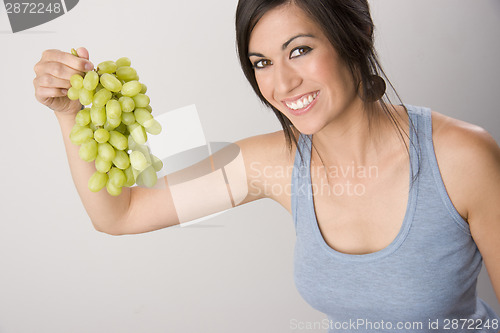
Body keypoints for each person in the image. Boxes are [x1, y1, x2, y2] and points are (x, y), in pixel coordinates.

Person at [33, 0, 500, 331]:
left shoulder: (462, 158)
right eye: (261, 62)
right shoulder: (274, 161)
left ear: (354, 39)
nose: (282, 83)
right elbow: (120, 213)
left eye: (300, 50)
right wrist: (68, 112)